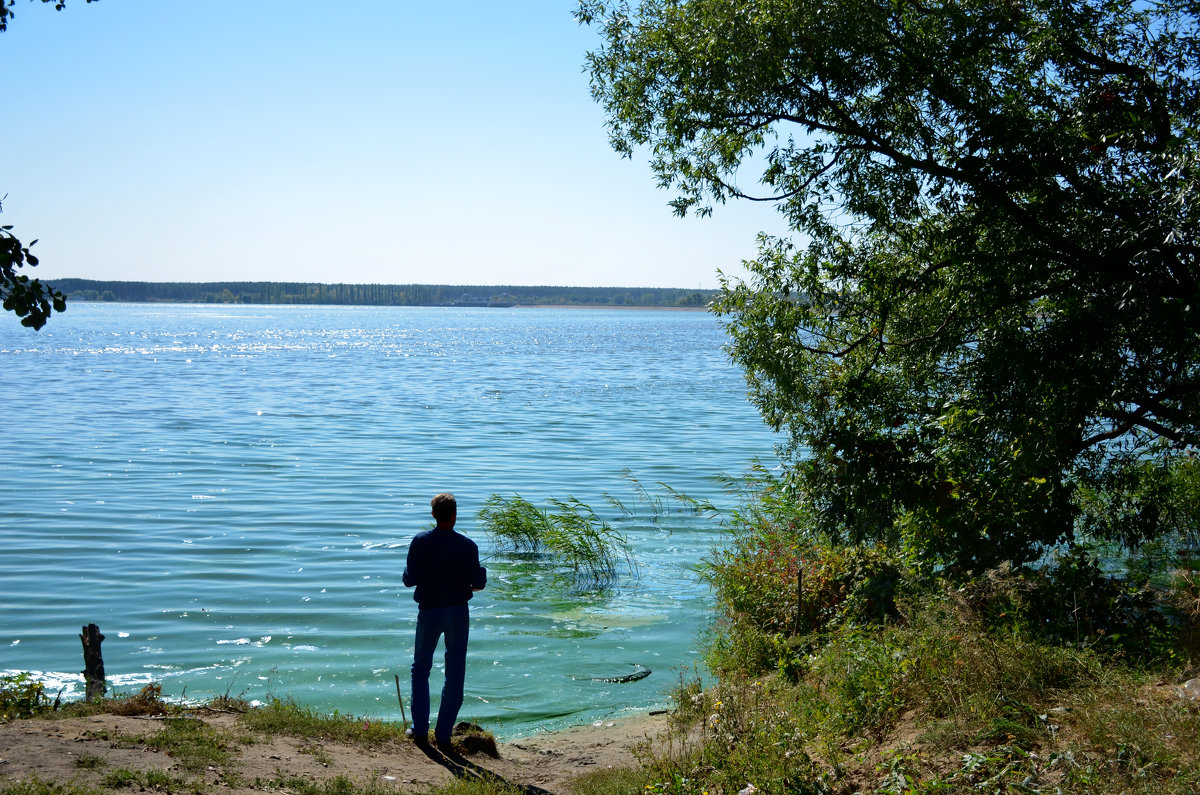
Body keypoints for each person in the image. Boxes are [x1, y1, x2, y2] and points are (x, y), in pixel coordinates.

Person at [402, 492, 487, 748]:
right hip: (458, 613)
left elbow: (409, 580)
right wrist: (480, 573)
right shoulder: (467, 546)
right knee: (455, 673)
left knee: (420, 670)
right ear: (454, 515)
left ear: (433, 515)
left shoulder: (420, 541)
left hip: (429, 612)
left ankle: (419, 730)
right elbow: (479, 583)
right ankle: (443, 735)